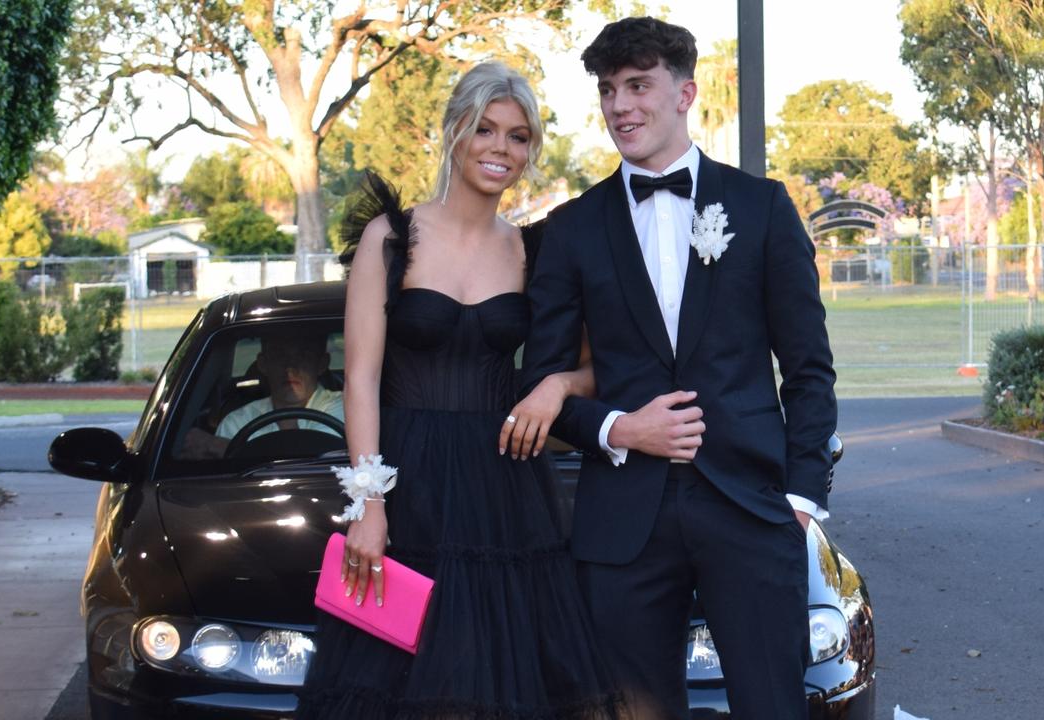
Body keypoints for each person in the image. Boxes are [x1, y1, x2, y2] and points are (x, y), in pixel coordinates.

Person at [518, 17, 837, 720]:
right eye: (608, 90)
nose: (620, 106)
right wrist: (620, 429)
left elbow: (809, 368)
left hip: (750, 510)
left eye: (638, 85)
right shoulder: (570, 230)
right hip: (622, 523)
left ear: (686, 91)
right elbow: (542, 380)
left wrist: (803, 498)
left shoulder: (762, 209)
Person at [296, 62, 621, 719]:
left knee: (504, 687)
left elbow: (602, 365)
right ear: (453, 132)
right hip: (406, 486)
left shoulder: (536, 253)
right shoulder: (390, 238)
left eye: (519, 136)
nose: (501, 148)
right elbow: (359, 378)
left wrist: (555, 385)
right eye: (485, 129)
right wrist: (369, 504)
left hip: (506, 491)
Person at [179, 333, 343, 458]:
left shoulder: (343, 406)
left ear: (321, 364)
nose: (290, 367)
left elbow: (314, 456)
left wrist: (219, 446)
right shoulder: (236, 421)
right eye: (280, 356)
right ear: (263, 364)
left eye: (303, 356)